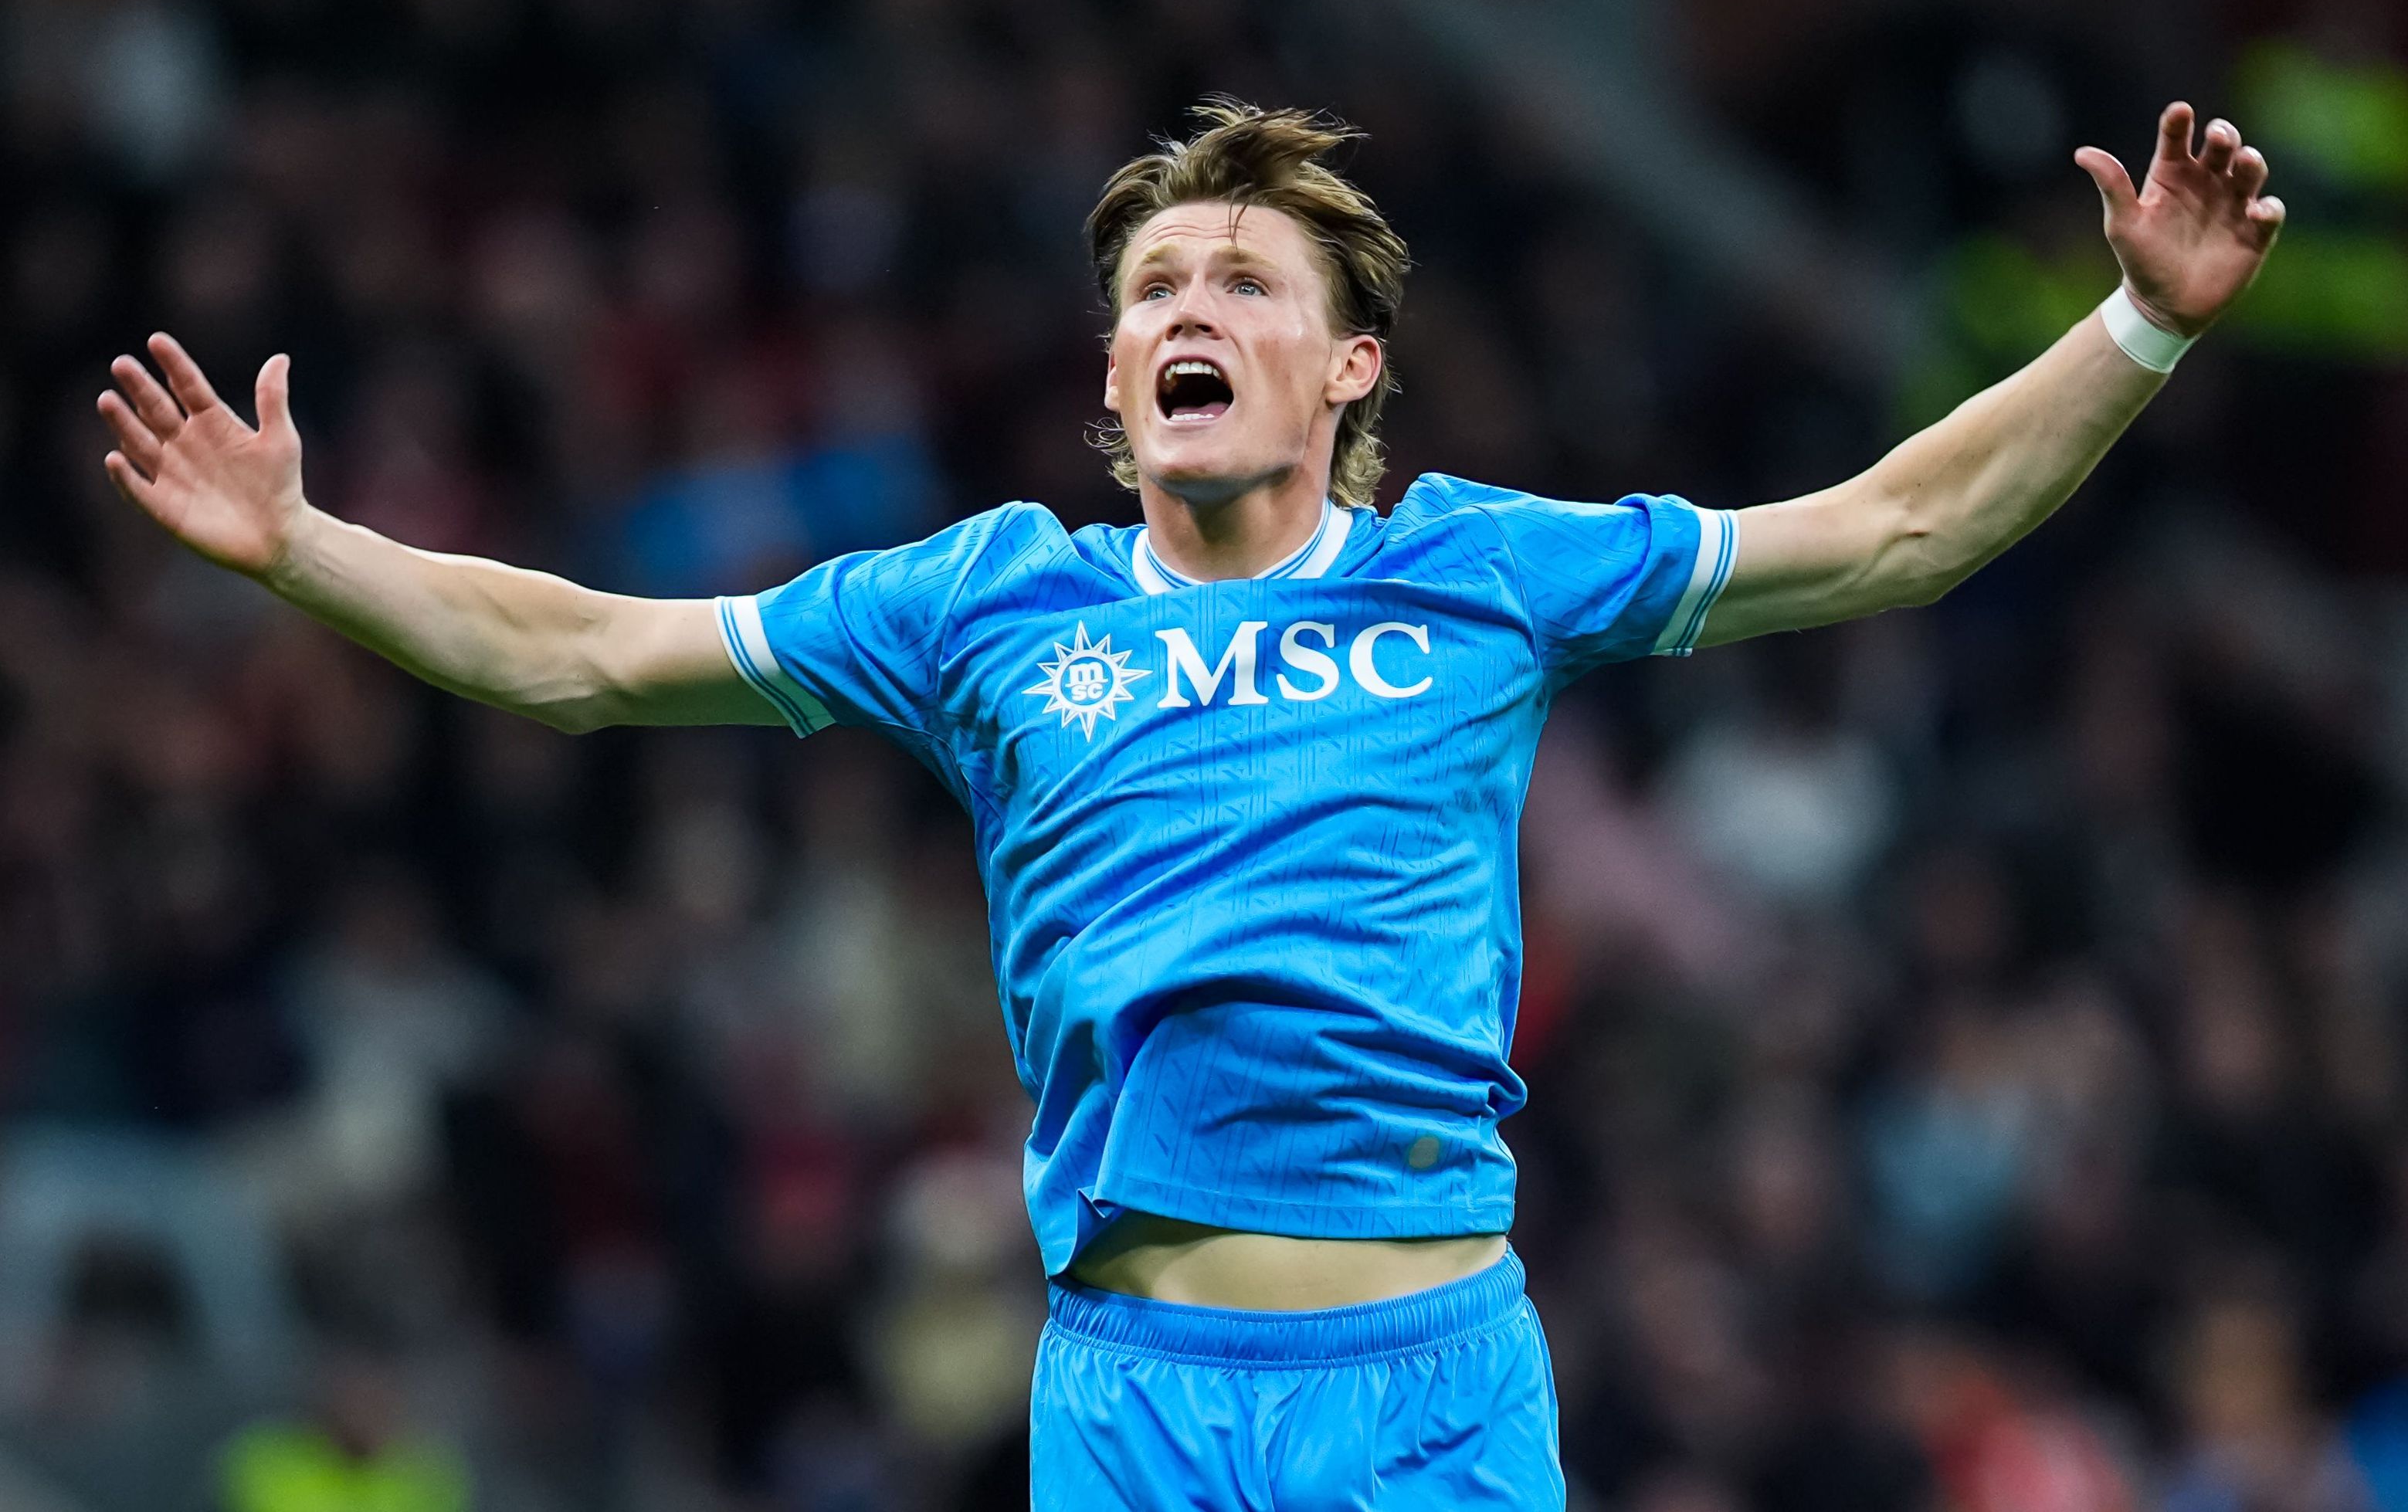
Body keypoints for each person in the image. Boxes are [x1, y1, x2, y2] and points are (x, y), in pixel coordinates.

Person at [97, 100, 2283, 1508]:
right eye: (1156, 289)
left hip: (1429, 1387)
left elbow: (1896, 527)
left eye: (1246, 282)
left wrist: (2139, 333)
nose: (1189, 309)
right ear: (1114, 380)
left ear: (1350, 372)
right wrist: (305, 549)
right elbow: (581, 655)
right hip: (1130, 1398)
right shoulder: (983, 603)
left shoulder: (1481, 573)